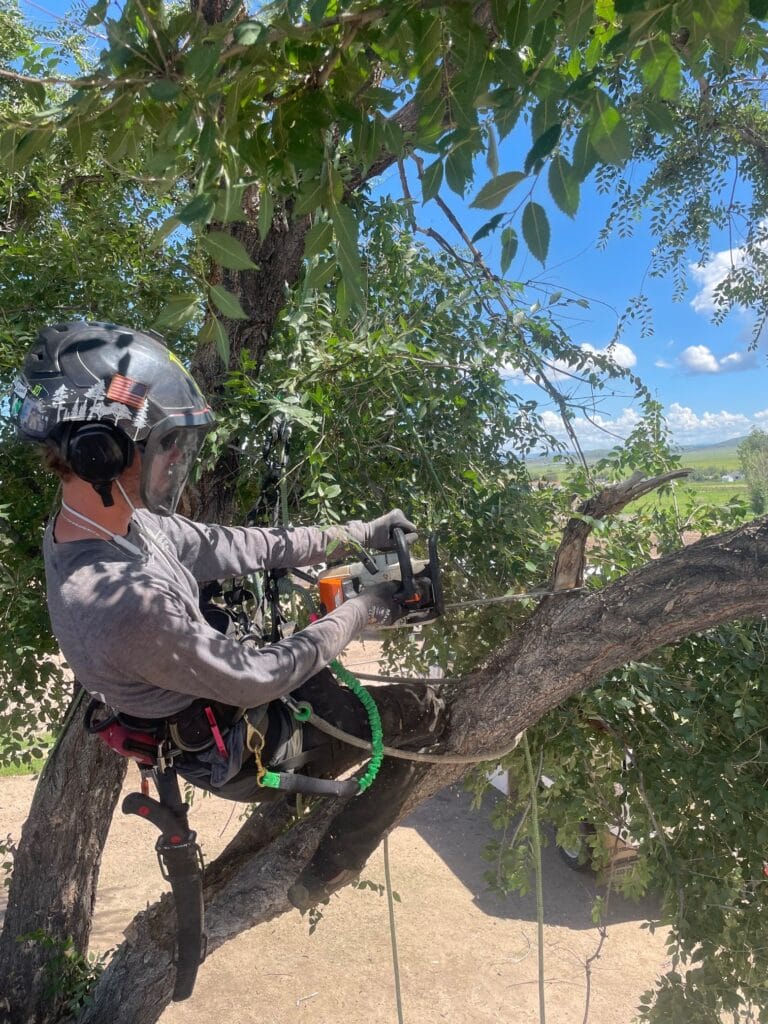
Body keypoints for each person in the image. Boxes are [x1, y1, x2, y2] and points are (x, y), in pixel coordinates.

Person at [9, 320, 445, 907]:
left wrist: (359, 532)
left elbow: (241, 546)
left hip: (228, 694)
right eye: (162, 446)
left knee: (322, 660)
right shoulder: (117, 598)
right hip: (242, 744)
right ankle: (330, 865)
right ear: (100, 453)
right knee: (423, 713)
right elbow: (259, 677)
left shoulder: (116, 523)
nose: (173, 462)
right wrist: (367, 609)